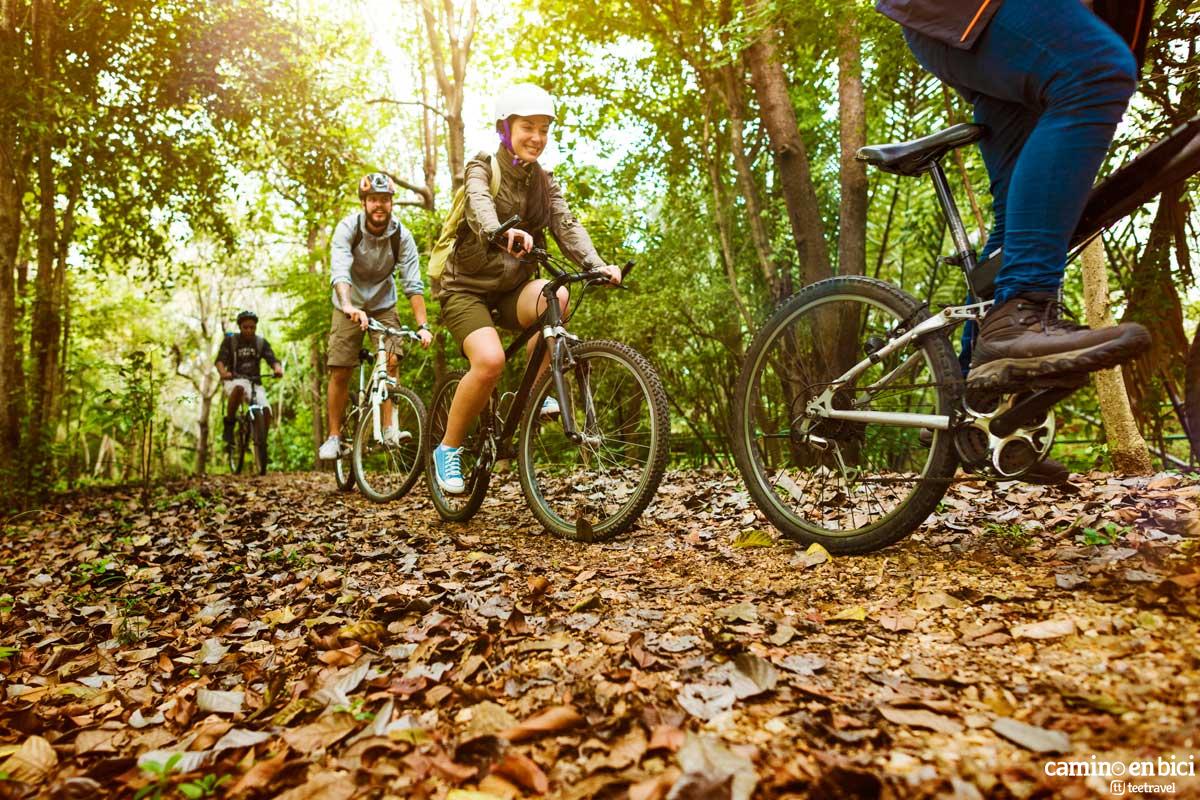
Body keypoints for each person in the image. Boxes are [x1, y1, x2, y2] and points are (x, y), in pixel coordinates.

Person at [875, 0, 1152, 392]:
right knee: (1097, 71)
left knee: (1018, 227)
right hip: (971, 12)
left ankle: (973, 399)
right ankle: (1019, 311)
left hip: (992, 23)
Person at [430, 84, 621, 494]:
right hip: (465, 289)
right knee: (489, 361)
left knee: (559, 296)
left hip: (512, 290)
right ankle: (448, 448)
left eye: (544, 129)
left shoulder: (543, 183)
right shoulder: (483, 166)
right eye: (527, 127)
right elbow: (478, 204)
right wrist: (501, 231)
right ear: (506, 129)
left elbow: (566, 224)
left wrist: (596, 264)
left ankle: (534, 398)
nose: (537, 137)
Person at [318, 173, 434, 461]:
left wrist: (423, 326)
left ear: (391, 202)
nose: (379, 205)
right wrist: (348, 306)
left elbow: (413, 283)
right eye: (373, 199)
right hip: (349, 304)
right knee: (340, 369)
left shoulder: (401, 236)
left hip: (383, 304)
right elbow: (340, 272)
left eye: (384, 199)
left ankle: (389, 428)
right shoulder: (348, 228)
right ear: (364, 203)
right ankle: (334, 436)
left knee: (392, 360)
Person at [215, 310, 284, 445]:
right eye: (245, 327)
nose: (249, 330)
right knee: (239, 388)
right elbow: (220, 361)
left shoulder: (260, 342)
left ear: (255, 327)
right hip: (234, 380)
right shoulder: (231, 341)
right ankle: (229, 424)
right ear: (240, 327)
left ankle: (261, 444)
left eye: (252, 327)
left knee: (266, 410)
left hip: (254, 383)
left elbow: (272, 359)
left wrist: (277, 369)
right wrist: (223, 373)